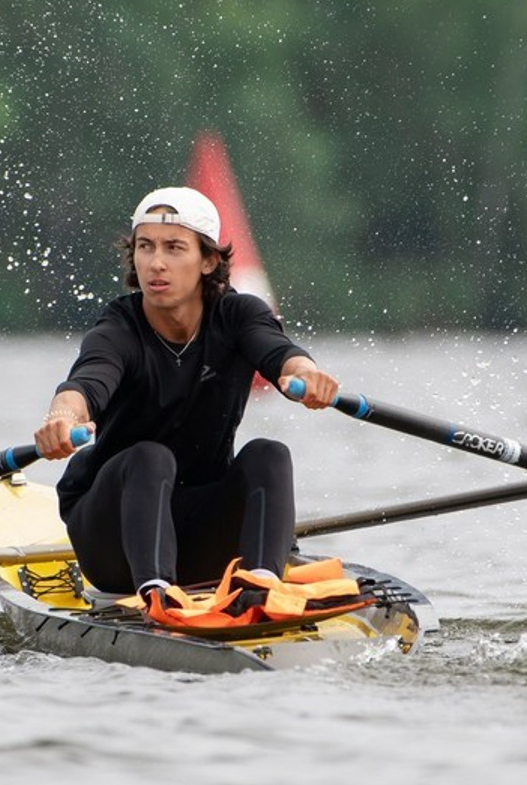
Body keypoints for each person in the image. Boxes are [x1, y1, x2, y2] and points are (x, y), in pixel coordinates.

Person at [34, 185, 339, 610]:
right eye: (145, 247)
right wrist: (61, 419)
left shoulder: (239, 315)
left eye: (174, 247)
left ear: (208, 260)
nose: (155, 263)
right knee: (150, 456)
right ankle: (157, 595)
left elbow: (281, 353)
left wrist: (306, 375)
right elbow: (86, 383)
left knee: (269, 454)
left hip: (198, 529)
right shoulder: (119, 327)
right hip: (113, 538)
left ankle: (261, 587)